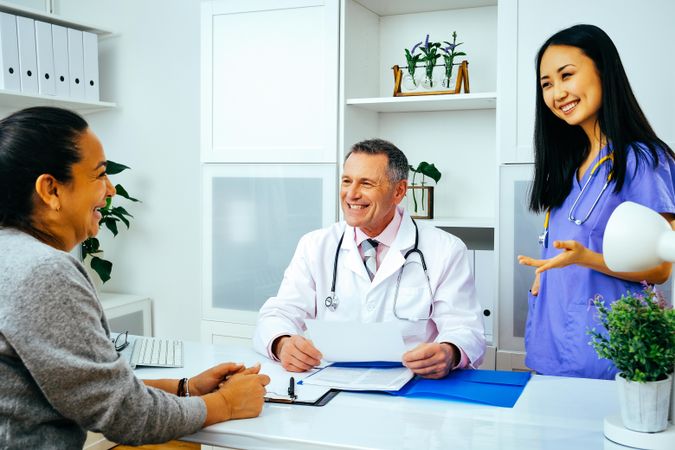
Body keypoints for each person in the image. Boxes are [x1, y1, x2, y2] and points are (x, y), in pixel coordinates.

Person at [0, 107, 270, 448]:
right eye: (98, 175)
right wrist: (226, 404)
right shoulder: (42, 271)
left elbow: (81, 387)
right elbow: (125, 414)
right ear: (51, 190)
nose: (110, 190)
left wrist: (186, 388)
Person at [518, 24, 675, 380]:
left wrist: (587, 259)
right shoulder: (569, 166)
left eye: (566, 76)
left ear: (604, 71)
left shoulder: (643, 161)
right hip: (551, 341)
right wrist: (546, 274)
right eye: (546, 84)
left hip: (607, 353)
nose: (557, 93)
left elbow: (661, 268)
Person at [253, 138, 485, 379]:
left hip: (412, 385)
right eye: (346, 181)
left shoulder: (445, 249)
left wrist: (450, 352)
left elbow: (466, 329)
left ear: (399, 191)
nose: (351, 194)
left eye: (366, 183)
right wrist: (282, 343)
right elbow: (278, 314)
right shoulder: (315, 245)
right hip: (332, 383)